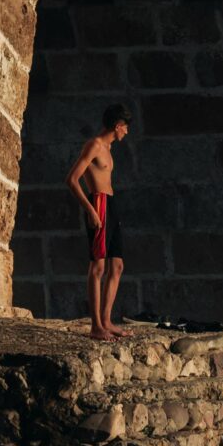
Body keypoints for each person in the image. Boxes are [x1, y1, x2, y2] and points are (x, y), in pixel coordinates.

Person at [64, 104, 132, 341]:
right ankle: (96, 326)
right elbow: (72, 179)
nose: (127, 132)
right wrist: (91, 210)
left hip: (111, 205)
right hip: (99, 203)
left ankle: (106, 321)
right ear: (118, 126)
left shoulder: (109, 148)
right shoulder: (94, 145)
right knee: (98, 267)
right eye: (126, 127)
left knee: (117, 266)